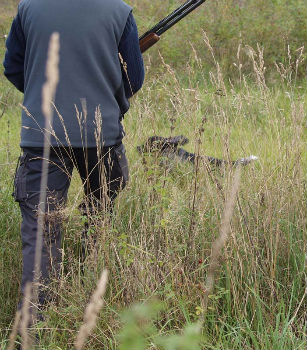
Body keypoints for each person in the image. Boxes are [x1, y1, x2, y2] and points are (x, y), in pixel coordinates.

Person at [3, 0, 144, 312]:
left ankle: (32, 332)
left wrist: (46, 93)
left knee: (40, 233)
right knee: (101, 208)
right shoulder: (119, 11)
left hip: (41, 134)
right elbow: (133, 79)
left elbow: (12, 66)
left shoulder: (28, 8)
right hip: (101, 136)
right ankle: (90, 282)